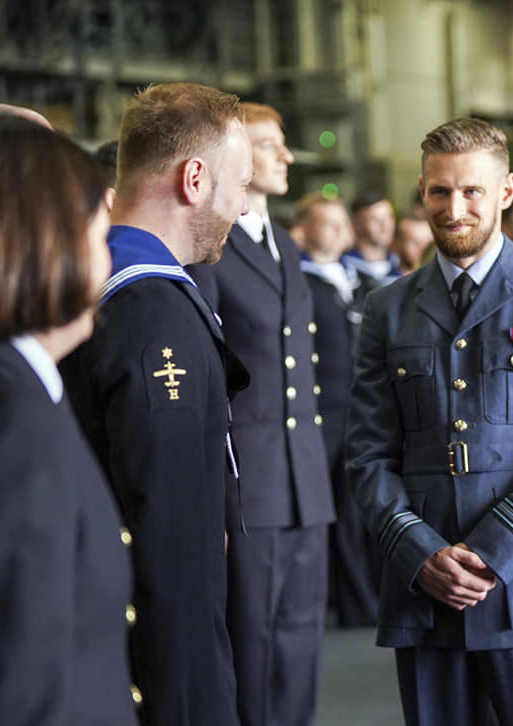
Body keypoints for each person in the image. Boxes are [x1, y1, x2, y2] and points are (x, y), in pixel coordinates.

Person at [346, 118, 513, 726]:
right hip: (424, 587)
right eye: (440, 192)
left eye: (472, 191)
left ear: (506, 191)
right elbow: (368, 452)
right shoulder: (387, 308)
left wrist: (493, 553)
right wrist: (419, 553)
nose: (454, 207)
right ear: (422, 192)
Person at [60, 82, 252, 726]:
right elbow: (167, 533)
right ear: (194, 178)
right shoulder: (153, 311)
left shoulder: (94, 285)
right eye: (240, 185)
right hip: (159, 669)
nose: (243, 207)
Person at [187, 102, 334, 726]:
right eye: (270, 144)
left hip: (304, 480)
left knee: (301, 644)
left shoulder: (287, 249)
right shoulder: (212, 250)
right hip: (250, 480)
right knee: (253, 642)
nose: (286, 156)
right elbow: (209, 375)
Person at [0, 115, 137, 726]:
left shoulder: (22, 390)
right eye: (102, 237)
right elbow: (21, 683)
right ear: (47, 244)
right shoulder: (13, 419)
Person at [294, 192, 383, 628]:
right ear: (304, 230)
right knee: (326, 512)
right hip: (321, 414)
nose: (335, 230)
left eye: (339, 222)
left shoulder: (360, 283)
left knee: (358, 510)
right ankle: (334, 598)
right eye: (324, 223)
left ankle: (363, 600)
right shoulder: (299, 281)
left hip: (363, 413)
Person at [347, 190, 403, 285]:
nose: (385, 226)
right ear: (356, 224)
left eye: (389, 217)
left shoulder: (401, 265)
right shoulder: (345, 268)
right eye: (375, 219)